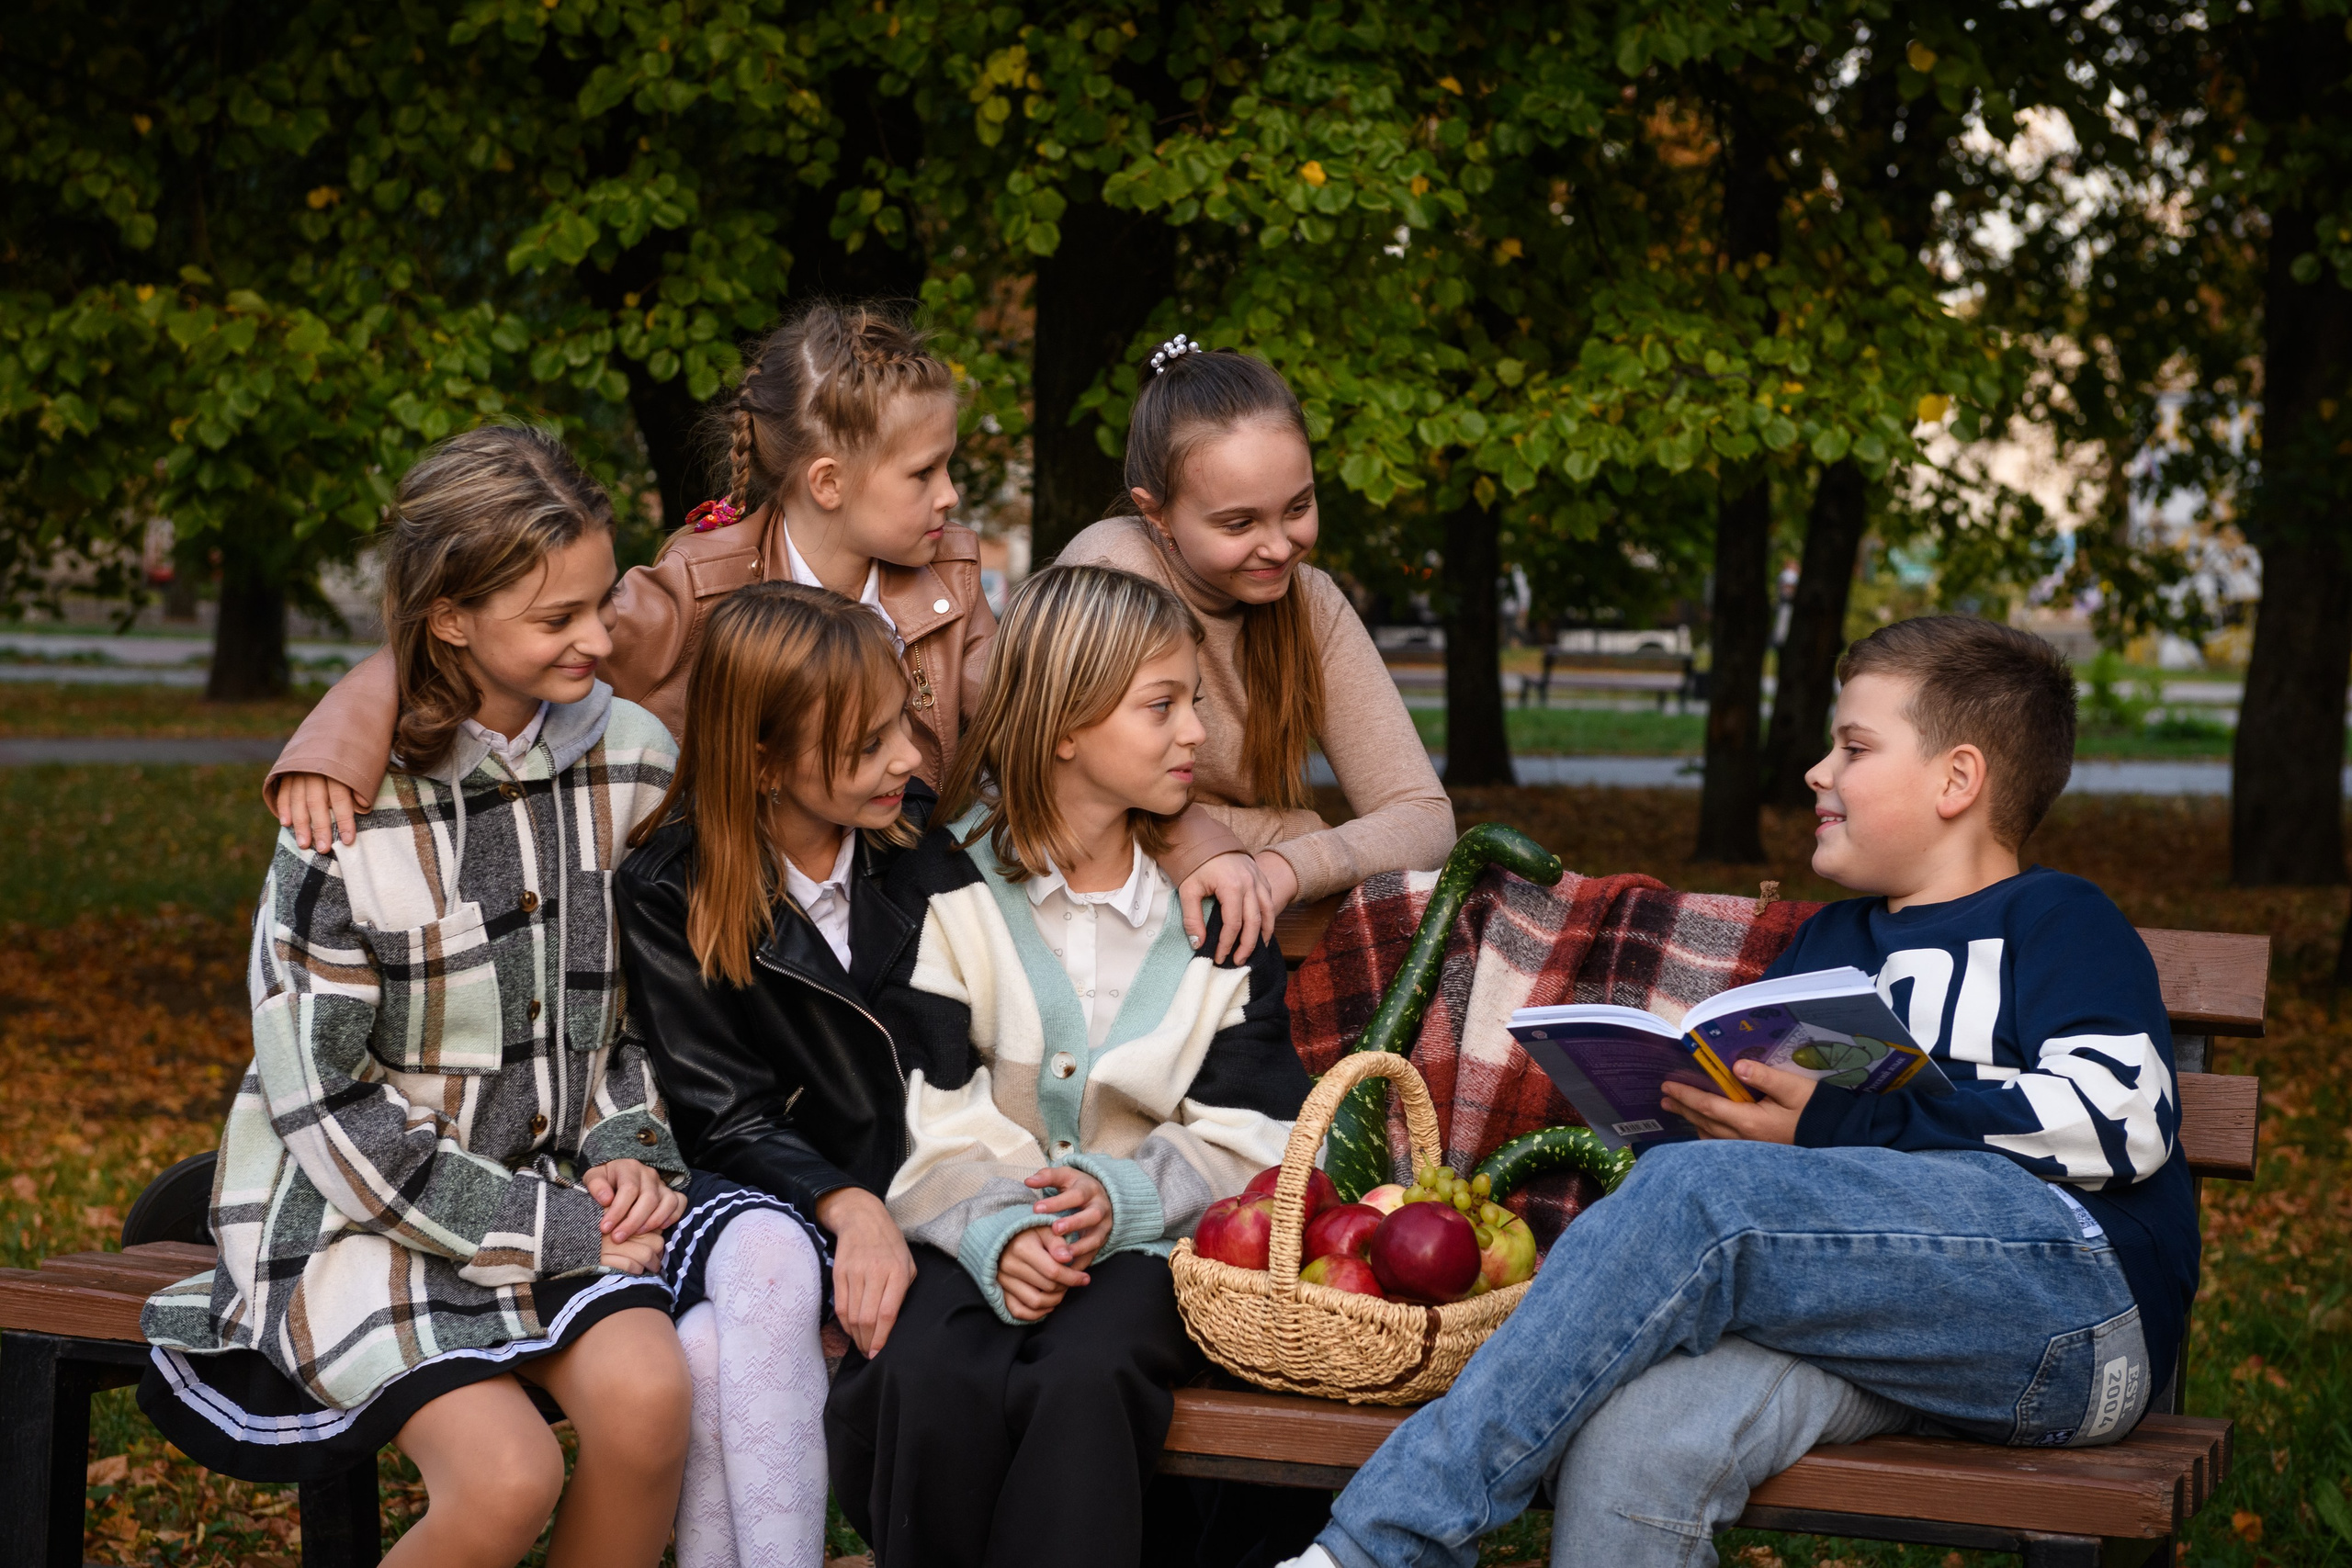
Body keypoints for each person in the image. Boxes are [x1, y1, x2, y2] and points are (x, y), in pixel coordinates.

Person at [1278, 615, 2197, 1568]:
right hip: (1866, 1314)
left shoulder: (2054, 919)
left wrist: (1833, 1123)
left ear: (1957, 781)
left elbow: (2120, 1120)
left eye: (1852, 747)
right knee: (1635, 1449)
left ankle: (1382, 1545)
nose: (1815, 772)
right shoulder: (1826, 946)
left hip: (2070, 1312)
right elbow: (1764, 1189)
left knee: (1698, 1199)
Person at [269, 305, 1279, 959]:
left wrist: (1198, 845)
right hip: (743, 933)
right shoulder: (695, 588)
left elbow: (1056, 728)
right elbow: (494, 633)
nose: (950, 493)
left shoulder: (947, 587)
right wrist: (334, 741)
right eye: (923, 472)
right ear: (829, 483)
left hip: (912, 923)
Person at [139, 425, 693, 1568]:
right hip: (358, 1220)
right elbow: (324, 1108)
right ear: (449, 616)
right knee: (507, 1477)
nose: (598, 638)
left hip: (554, 1189)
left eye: (601, 603)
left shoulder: (633, 759)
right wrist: (562, 1228)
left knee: (647, 1404)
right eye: (556, 619)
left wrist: (634, 1142)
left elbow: (640, 1016)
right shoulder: (344, 807)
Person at [828, 563, 1314, 1568]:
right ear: (1064, 726)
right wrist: (1000, 1228)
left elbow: (1258, 1132)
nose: (1196, 734)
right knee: (928, 1368)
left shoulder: (1218, 924)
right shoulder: (941, 888)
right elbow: (921, 1106)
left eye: (1194, 703)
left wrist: (1121, 1194)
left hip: (1152, 1252)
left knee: (1090, 1375)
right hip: (965, 1228)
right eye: (1162, 707)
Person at [615, 581, 938, 1568]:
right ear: (762, 762)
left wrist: (896, 1206)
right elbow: (725, 1115)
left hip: (922, 1188)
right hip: (756, 1190)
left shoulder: (911, 841)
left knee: (712, 1354)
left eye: (902, 725)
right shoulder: (670, 889)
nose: (908, 760)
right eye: (867, 745)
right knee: (761, 1280)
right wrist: (848, 1206)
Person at [1057, 336, 1456, 908]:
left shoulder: (1311, 602)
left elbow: (1423, 816)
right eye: (1239, 523)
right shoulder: (1112, 575)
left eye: (1298, 508)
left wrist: (1289, 866)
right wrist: (1289, 832)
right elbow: (1093, 803)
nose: (1279, 547)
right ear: (1156, 512)